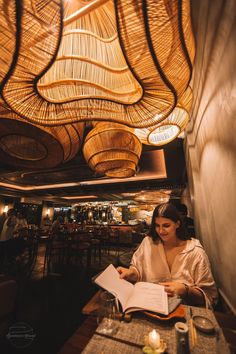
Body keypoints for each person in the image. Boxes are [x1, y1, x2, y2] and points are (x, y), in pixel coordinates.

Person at [117, 203, 218, 307]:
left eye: (166, 225)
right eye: (157, 225)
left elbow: (210, 296)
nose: (160, 231)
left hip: (182, 314)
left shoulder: (195, 253)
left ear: (177, 224)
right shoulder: (148, 243)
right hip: (149, 307)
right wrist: (131, 272)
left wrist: (185, 290)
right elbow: (138, 270)